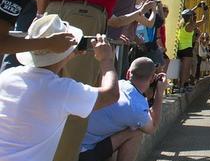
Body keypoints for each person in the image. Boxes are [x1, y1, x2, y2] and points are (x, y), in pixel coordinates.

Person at [44, 0, 195, 161]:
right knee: (78, 100)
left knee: (44, 89)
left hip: (50, 17)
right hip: (86, 19)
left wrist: (41, 12)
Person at [0, 15, 121, 161]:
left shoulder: (7, 75)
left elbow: (50, 75)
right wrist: (106, 60)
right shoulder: (63, 90)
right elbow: (111, 95)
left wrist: (65, 56)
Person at [78, 57, 167, 161]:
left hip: (74, 143)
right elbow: (152, 127)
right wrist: (159, 92)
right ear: (152, 79)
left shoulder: (117, 84)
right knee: (135, 131)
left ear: (128, 73)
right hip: (84, 153)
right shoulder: (137, 108)